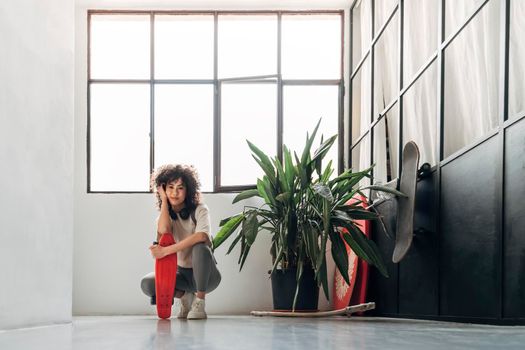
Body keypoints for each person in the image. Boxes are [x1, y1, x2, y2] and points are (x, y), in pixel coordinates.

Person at [140, 164, 221, 320]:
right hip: (181, 275)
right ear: (163, 189)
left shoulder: (200, 210)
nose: (174, 193)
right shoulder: (164, 217)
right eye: (170, 187)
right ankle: (186, 297)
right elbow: (164, 232)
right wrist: (164, 202)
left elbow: (202, 237)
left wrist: (165, 251)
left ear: (188, 190)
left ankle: (200, 302)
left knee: (200, 248)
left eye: (180, 188)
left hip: (207, 275)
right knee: (148, 284)